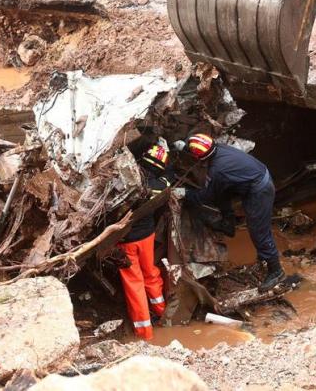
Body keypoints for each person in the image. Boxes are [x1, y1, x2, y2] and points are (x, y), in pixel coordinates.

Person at [177, 133, 285, 291]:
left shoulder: (217, 171)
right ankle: (228, 224)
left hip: (259, 189)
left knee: (258, 231)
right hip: (252, 178)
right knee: (222, 192)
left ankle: (276, 271)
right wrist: (183, 147)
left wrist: (185, 194)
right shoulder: (219, 148)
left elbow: (206, 197)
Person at [117, 144, 171, 340]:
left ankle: (144, 332)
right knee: (150, 273)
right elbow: (167, 179)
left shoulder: (127, 182)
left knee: (134, 283)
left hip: (126, 242)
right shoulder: (160, 186)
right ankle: (163, 313)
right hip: (147, 237)